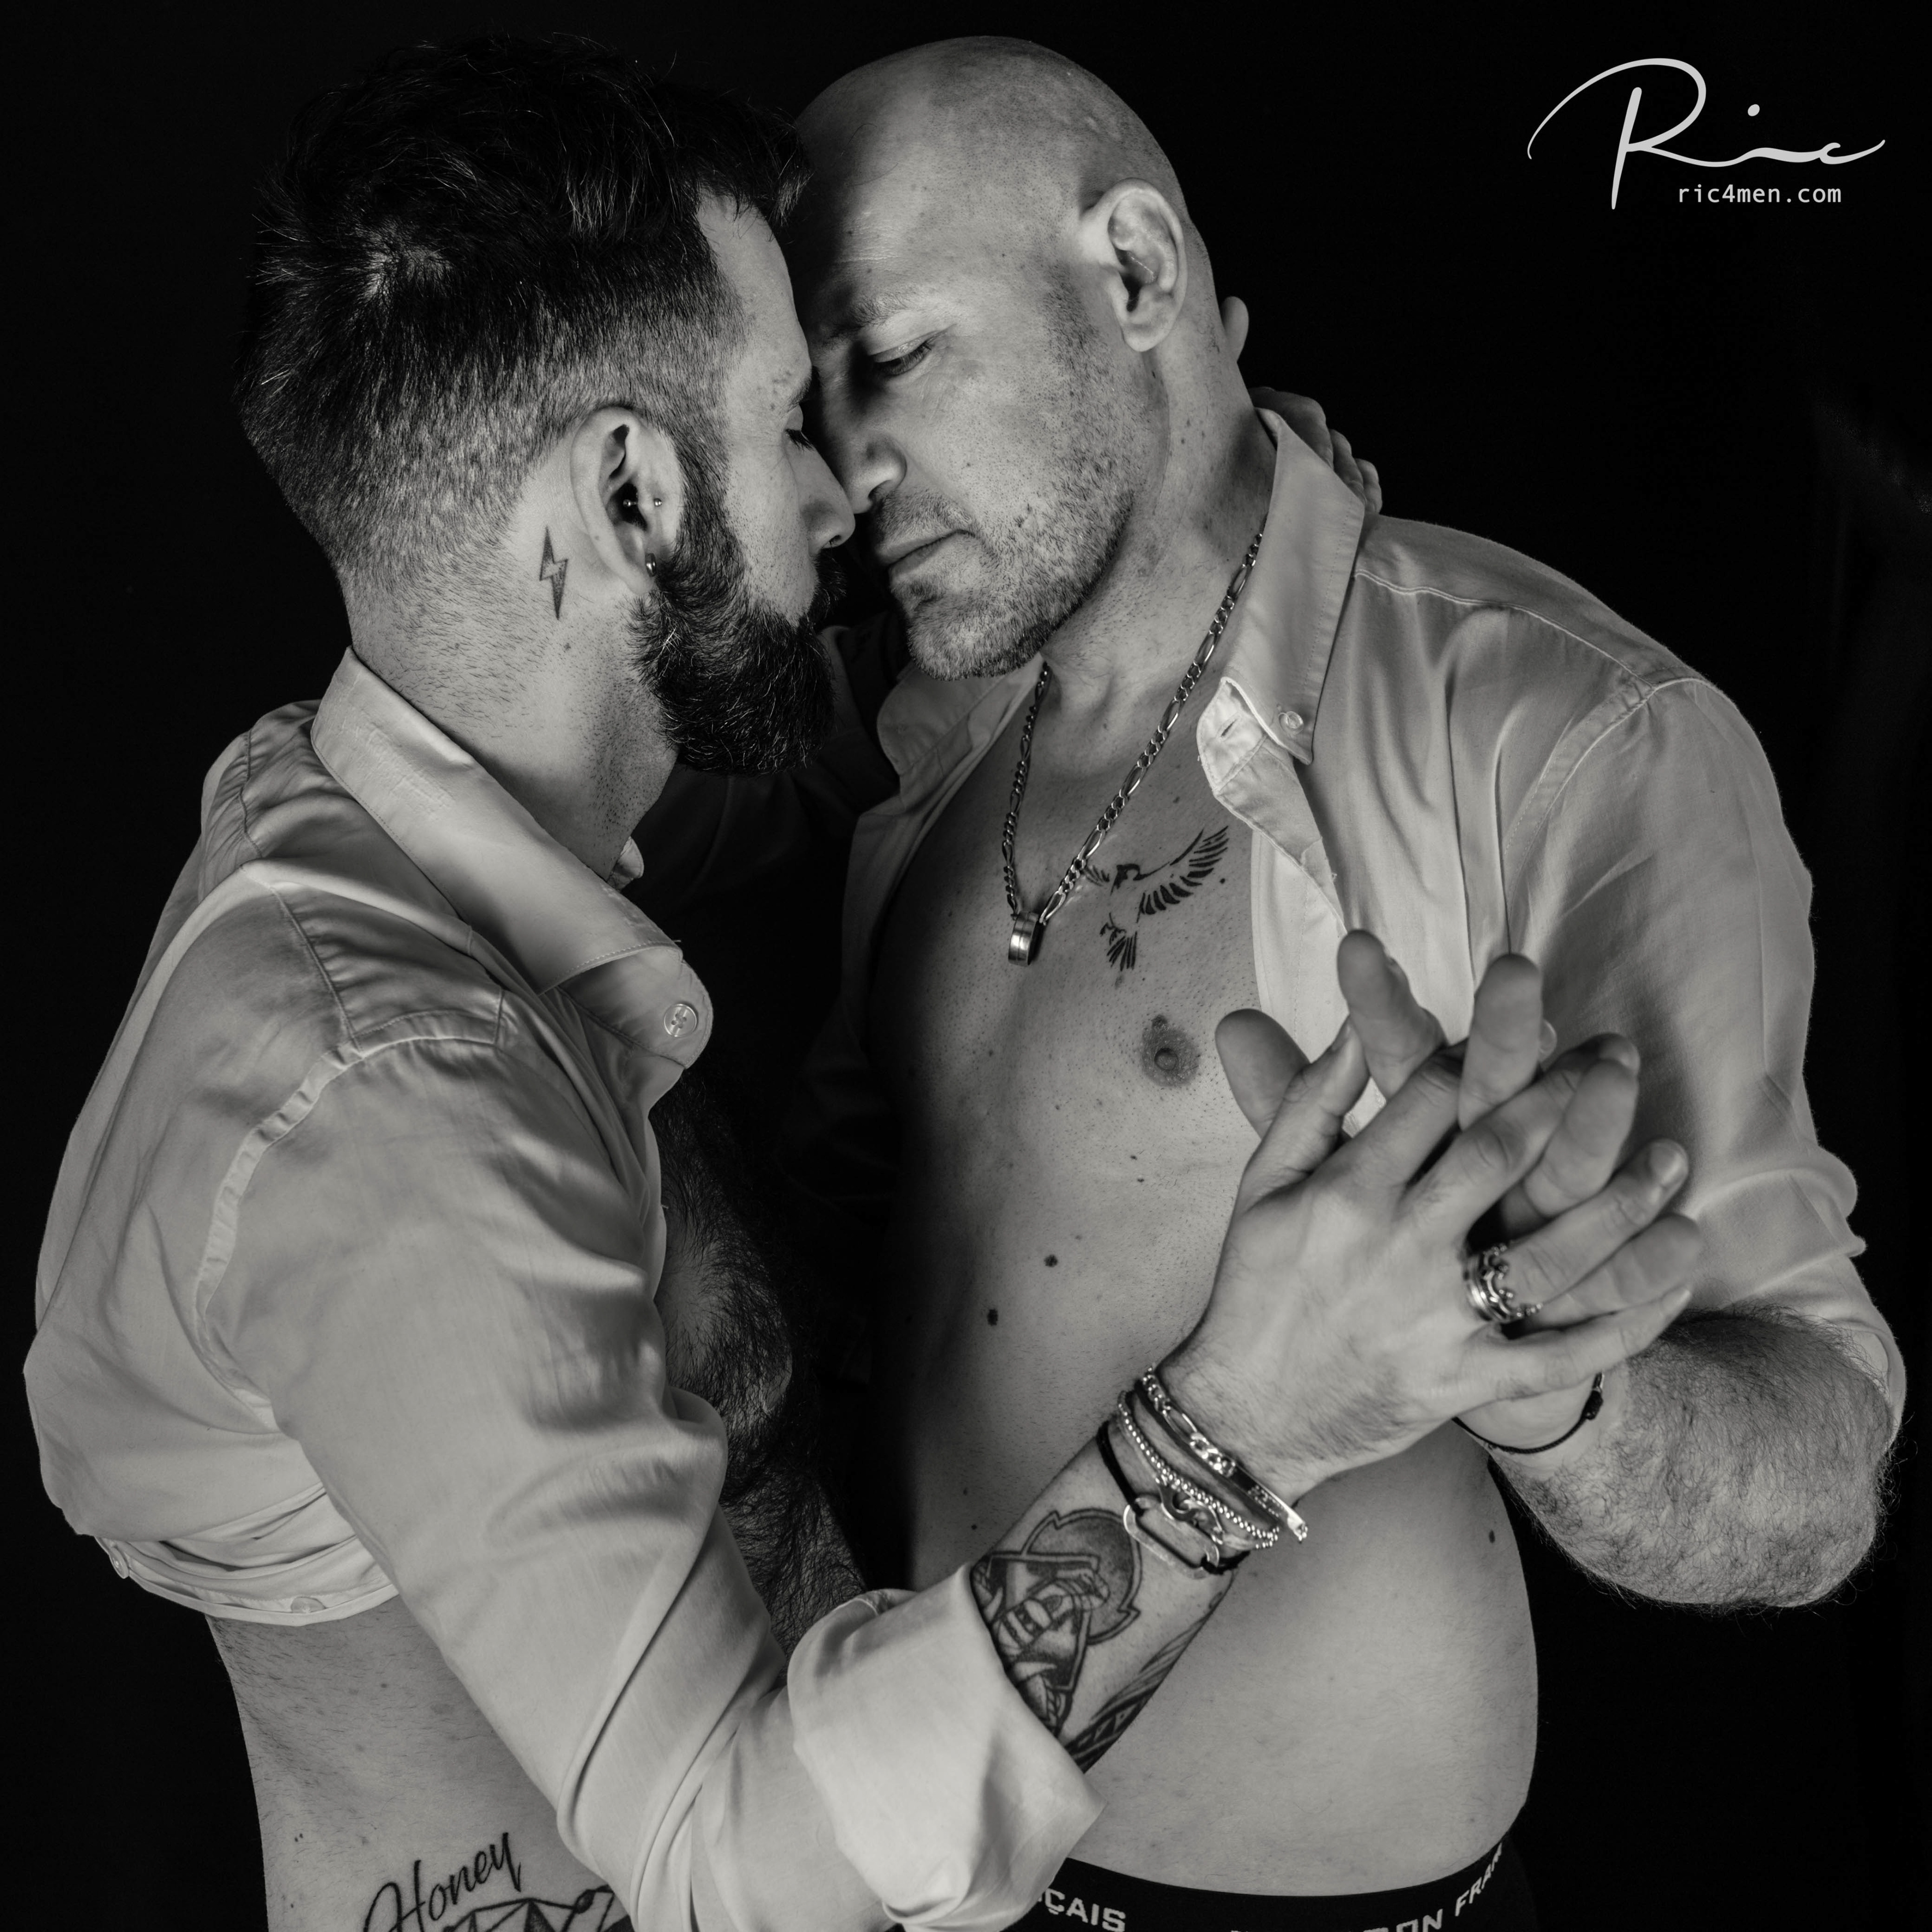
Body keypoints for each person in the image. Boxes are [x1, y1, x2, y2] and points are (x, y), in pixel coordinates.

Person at [23, 38, 1695, 1932]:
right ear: (633, 491)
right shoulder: (384, 1095)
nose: (843, 503)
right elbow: (739, 1867)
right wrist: (1252, 1417)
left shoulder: (379, 836)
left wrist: (1234, 524)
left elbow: (992, 692)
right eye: (784, 421)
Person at [777, 35, 1905, 1925]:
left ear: (1134, 271)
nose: (845, 467)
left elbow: (1819, 1486)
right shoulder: (935, 727)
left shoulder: (1555, 735)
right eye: (805, 401)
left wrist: (1546, 1384)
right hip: (895, 1860)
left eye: (886, 353)